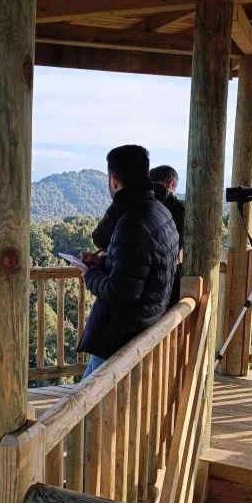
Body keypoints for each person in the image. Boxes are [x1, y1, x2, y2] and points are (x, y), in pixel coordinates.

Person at [79, 145, 179, 377]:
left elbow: (121, 292)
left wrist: (88, 273)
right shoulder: (160, 211)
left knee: (88, 405)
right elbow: (138, 269)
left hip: (120, 335)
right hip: (145, 326)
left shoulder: (132, 222)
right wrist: (102, 264)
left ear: (114, 180)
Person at [149, 165, 185, 304]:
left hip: (137, 280)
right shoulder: (181, 209)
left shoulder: (138, 204)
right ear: (171, 183)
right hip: (169, 277)